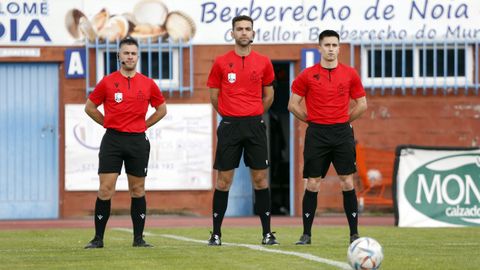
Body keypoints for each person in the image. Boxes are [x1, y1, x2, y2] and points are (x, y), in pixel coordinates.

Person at [84, 37, 167, 248]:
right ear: (118, 55)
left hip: (137, 141)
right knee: (105, 189)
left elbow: (162, 109)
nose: (129, 56)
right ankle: (98, 239)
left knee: (138, 190)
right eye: (126, 53)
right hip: (112, 140)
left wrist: (145, 125)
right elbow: (90, 107)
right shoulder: (107, 82)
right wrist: (108, 123)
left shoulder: (148, 84)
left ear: (137, 56)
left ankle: (139, 239)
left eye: (133, 53)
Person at [288, 30, 367, 245]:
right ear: (320, 48)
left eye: (335, 45)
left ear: (339, 48)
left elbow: (362, 104)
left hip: (342, 133)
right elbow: (292, 104)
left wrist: (343, 120)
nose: (331, 49)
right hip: (317, 133)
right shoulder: (307, 74)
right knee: (312, 183)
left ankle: (354, 234)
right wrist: (311, 120)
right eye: (327, 45)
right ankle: (306, 235)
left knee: (347, 182)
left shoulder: (350, 73)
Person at [206, 15, 278, 246]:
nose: (244, 32)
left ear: (253, 33)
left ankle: (267, 233)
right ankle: (216, 234)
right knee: (224, 180)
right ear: (233, 33)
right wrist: (231, 113)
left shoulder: (264, 62)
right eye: (240, 29)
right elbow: (214, 97)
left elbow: (269, 95)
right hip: (229, 127)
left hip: (254, 125)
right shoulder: (220, 62)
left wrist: (253, 112)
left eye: (248, 29)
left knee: (260, 179)